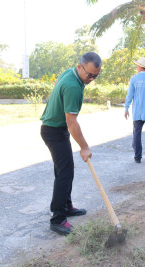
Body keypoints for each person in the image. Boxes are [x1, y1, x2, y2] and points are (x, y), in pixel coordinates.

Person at [40, 52, 102, 235]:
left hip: (55, 128)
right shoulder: (73, 86)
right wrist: (84, 147)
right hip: (54, 131)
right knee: (65, 173)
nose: (91, 79)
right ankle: (57, 218)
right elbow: (71, 122)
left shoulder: (70, 73)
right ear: (79, 67)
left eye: (95, 76)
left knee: (64, 170)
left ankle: (65, 206)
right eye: (89, 74)